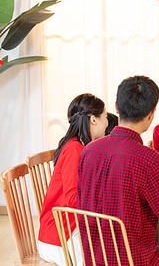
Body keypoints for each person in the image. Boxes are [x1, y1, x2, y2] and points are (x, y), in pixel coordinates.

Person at [77, 75, 159, 265]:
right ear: (151, 114)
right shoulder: (149, 159)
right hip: (136, 261)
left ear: (116, 109)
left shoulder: (88, 151)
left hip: (94, 258)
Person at [38, 93, 108, 265]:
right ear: (93, 120)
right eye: (105, 117)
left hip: (65, 228)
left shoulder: (77, 145)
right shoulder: (74, 149)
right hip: (60, 235)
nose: (107, 122)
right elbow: (71, 199)